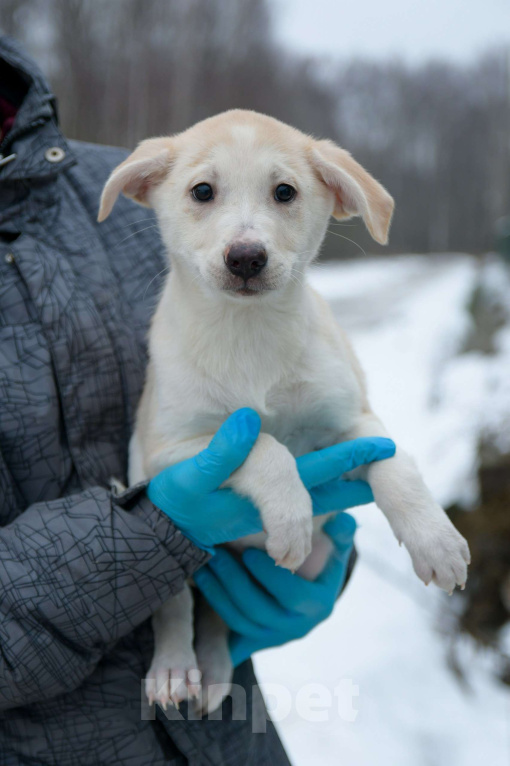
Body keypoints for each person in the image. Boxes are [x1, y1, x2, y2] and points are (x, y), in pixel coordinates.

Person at [0, 34, 395, 766]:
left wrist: (315, 558)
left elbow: (280, 414)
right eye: (208, 196)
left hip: (226, 734)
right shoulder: (158, 181)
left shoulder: (116, 185)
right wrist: (150, 543)